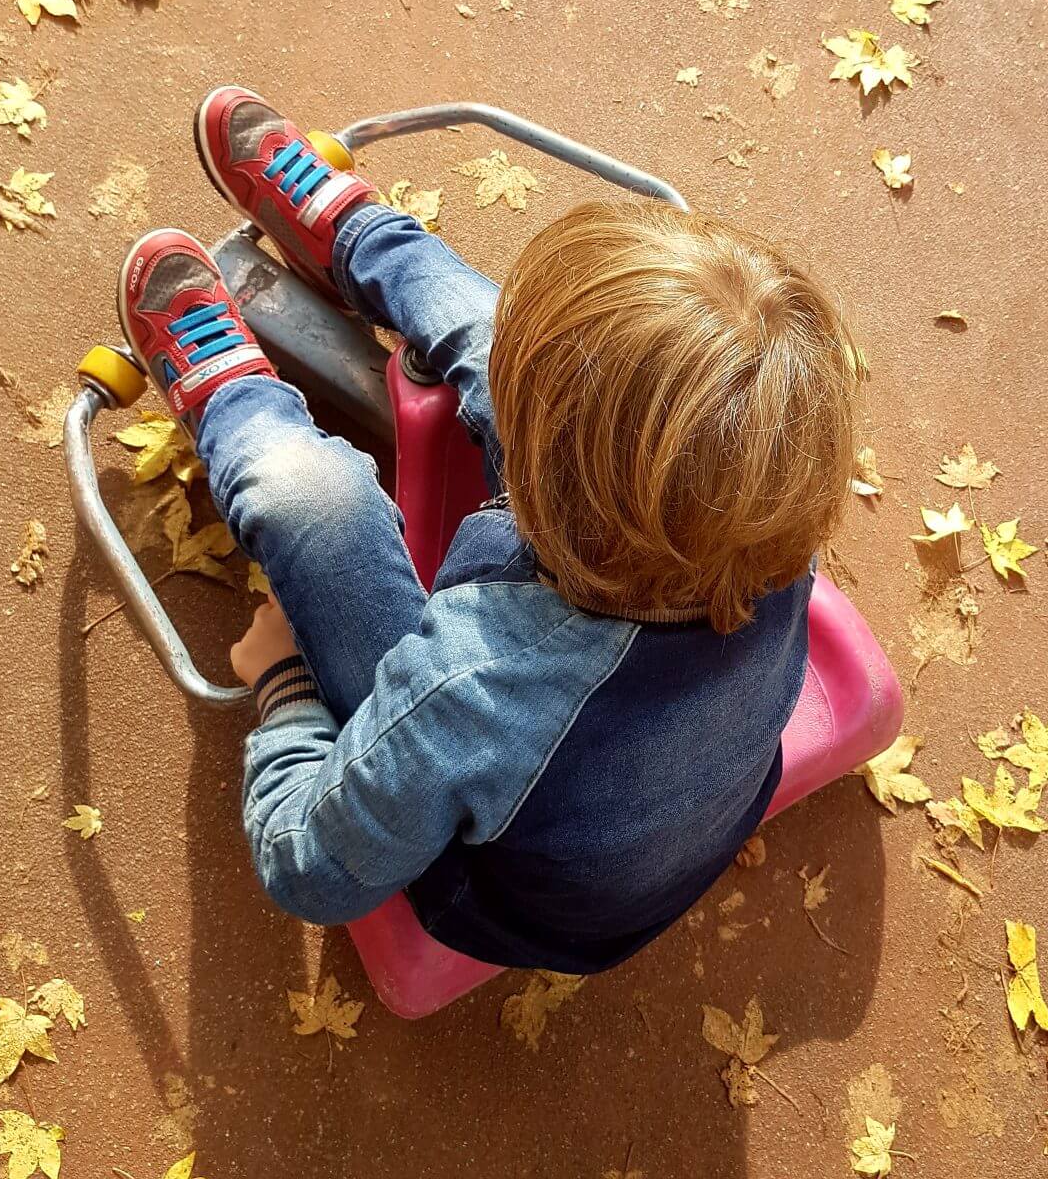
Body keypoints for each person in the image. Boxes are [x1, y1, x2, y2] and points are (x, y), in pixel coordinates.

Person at [117, 86, 862, 973]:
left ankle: (239, 405)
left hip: (498, 889)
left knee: (314, 508)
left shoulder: (470, 690)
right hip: (644, 764)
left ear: (527, 483)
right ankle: (355, 231)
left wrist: (283, 685)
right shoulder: (766, 511)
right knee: (531, 343)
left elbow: (308, 869)